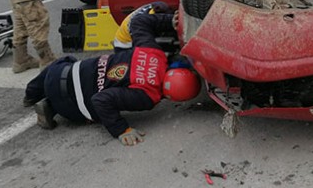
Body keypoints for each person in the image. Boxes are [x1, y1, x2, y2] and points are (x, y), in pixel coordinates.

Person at [23, 12, 201, 146]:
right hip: (71, 109)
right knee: (91, 99)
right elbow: (100, 100)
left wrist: (170, 21)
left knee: (65, 61)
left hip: (60, 74)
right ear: (172, 98)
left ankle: (31, 94)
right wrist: (121, 130)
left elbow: (138, 21)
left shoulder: (153, 53)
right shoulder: (147, 96)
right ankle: (52, 106)